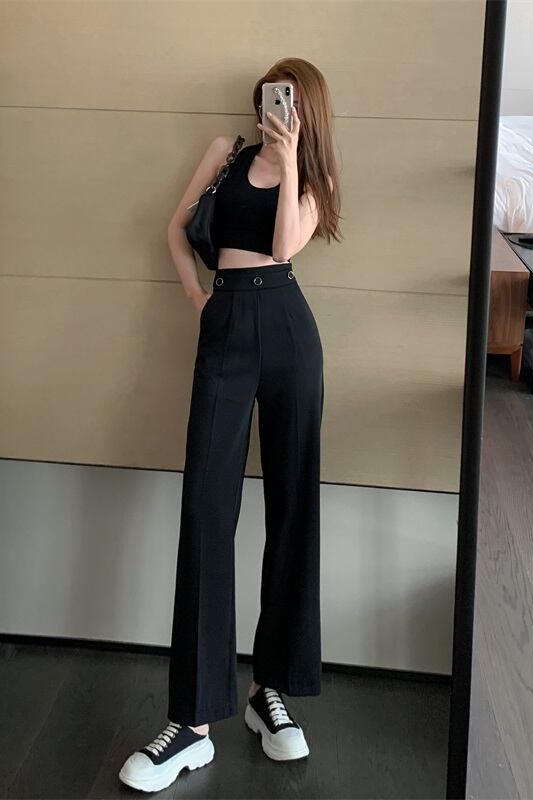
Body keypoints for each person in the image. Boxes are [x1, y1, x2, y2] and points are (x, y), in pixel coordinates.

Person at [119, 57, 342, 793]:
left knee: (293, 507)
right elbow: (176, 228)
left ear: (307, 111)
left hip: (288, 331)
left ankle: (268, 690)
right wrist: (196, 297)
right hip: (225, 327)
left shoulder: (314, 179)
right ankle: (194, 723)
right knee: (207, 511)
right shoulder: (225, 153)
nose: (274, 110)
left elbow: (282, 249)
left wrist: (291, 157)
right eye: (271, 98)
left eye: (288, 102)